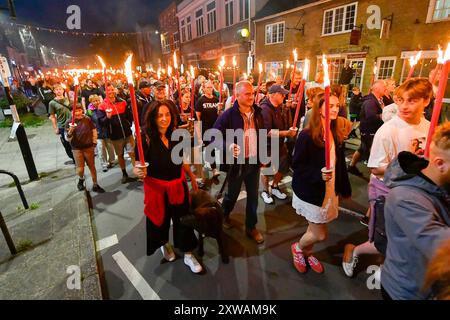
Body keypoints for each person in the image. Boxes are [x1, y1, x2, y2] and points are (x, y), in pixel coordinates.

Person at [342, 78, 433, 278]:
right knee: (382, 240)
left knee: (404, 238)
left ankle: (389, 268)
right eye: (400, 100)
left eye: (412, 101)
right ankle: (355, 251)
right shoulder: (388, 130)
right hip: (387, 191)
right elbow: (375, 168)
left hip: (415, 192)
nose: (403, 106)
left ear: (426, 101)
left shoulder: (429, 127)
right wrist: (408, 166)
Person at [380, 123, 450, 300]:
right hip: (408, 291)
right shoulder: (405, 198)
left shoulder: (441, 186)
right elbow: (440, 246)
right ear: (440, 164)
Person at [133, 100, 202, 274]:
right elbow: (137, 164)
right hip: (157, 190)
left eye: (167, 114)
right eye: (160, 116)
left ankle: (187, 253)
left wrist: (192, 176)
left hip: (178, 185)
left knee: (184, 219)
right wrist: (138, 172)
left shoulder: (177, 134)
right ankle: (164, 244)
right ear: (152, 118)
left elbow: (181, 160)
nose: (164, 119)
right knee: (159, 222)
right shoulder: (145, 138)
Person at [290, 93, 352, 274]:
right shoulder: (307, 135)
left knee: (313, 227)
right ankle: (298, 248)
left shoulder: (334, 131)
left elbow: (338, 163)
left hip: (329, 190)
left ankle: (308, 253)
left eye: (336, 105)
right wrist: (318, 175)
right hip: (312, 192)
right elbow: (297, 165)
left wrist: (344, 187)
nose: (335, 109)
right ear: (319, 109)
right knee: (320, 234)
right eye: (330, 106)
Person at [213, 81, 265, 244]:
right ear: (237, 96)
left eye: (252, 93)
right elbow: (213, 136)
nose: (251, 97)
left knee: (253, 196)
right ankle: (225, 214)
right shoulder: (228, 115)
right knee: (232, 194)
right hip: (237, 163)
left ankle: (251, 227)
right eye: (247, 94)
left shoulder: (257, 112)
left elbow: (261, 134)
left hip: (254, 162)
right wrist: (228, 146)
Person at [259, 85, 297, 204]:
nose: (284, 96)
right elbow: (267, 132)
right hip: (267, 145)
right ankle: (265, 191)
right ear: (273, 94)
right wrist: (287, 133)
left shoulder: (278, 106)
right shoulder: (265, 109)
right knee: (266, 169)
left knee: (282, 166)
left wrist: (287, 109)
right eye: (281, 94)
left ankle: (275, 187)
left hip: (279, 143)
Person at [347, 80, 386, 176]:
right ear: (376, 88)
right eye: (383, 87)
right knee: (371, 151)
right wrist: (384, 115)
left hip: (371, 129)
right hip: (369, 130)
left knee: (362, 148)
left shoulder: (377, 99)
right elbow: (370, 116)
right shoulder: (370, 101)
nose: (385, 88)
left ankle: (351, 166)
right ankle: (373, 174)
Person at [66, 104, 105, 193]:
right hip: (76, 148)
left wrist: (94, 142)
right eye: (75, 111)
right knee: (80, 168)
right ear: (71, 112)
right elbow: (68, 139)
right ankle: (81, 179)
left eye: (79, 110)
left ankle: (95, 184)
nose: (78, 113)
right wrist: (71, 130)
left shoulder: (87, 119)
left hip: (88, 147)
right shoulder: (69, 122)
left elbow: (93, 130)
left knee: (92, 166)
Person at [100, 84, 135, 184]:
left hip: (127, 133)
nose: (110, 92)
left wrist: (128, 123)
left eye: (112, 89)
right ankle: (124, 174)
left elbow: (129, 116)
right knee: (120, 155)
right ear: (104, 92)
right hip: (115, 136)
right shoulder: (102, 106)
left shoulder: (122, 102)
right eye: (108, 90)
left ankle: (137, 173)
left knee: (132, 153)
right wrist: (108, 117)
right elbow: (101, 123)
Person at [195, 81, 222, 180]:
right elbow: (198, 116)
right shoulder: (200, 101)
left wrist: (219, 110)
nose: (210, 89)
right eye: (208, 87)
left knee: (213, 147)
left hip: (215, 128)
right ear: (204, 88)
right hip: (205, 128)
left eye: (211, 87)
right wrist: (198, 132)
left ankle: (209, 164)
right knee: (210, 147)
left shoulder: (215, 99)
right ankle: (214, 168)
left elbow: (219, 115)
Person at [87, 95, 116, 172]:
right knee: (101, 149)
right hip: (98, 132)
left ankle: (112, 161)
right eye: (94, 101)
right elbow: (92, 122)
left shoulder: (103, 108)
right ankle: (104, 164)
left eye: (98, 100)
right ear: (91, 102)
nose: (97, 102)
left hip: (106, 130)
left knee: (110, 147)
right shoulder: (90, 111)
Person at [49, 83, 74, 163]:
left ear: (63, 90)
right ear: (54, 91)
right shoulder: (52, 103)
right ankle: (73, 157)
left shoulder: (68, 99)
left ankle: (77, 158)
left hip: (71, 124)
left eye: (60, 89)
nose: (58, 91)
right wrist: (55, 128)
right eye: (56, 89)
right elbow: (52, 116)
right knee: (67, 143)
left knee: (75, 141)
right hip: (62, 125)